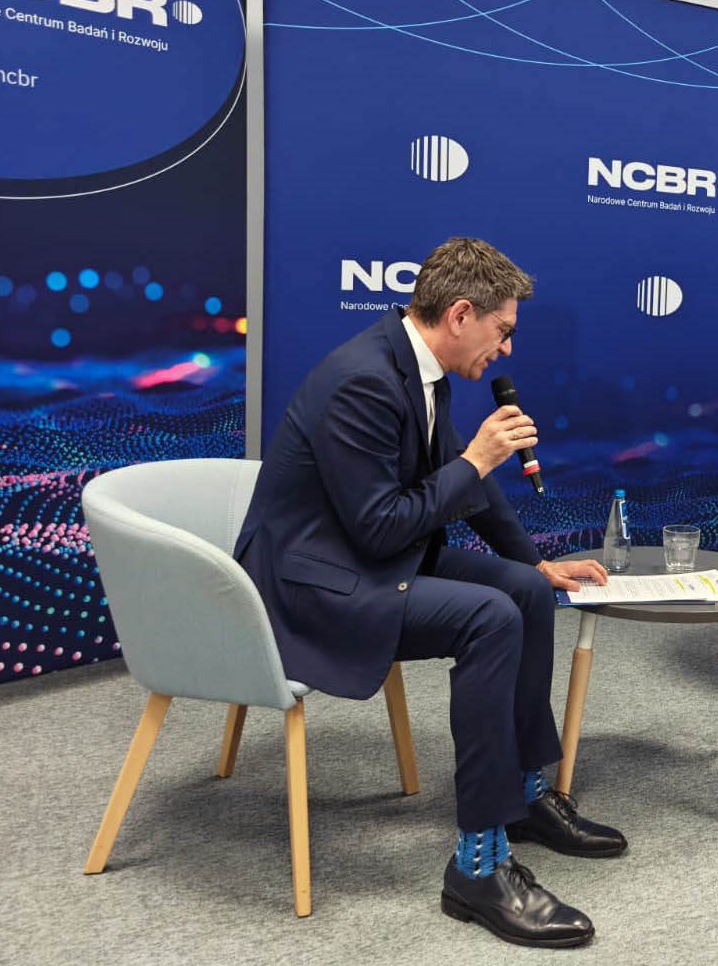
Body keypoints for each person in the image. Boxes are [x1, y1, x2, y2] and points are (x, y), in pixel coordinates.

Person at [236, 237, 624, 948]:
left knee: (524, 593)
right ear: (461, 314)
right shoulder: (361, 379)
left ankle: (524, 795)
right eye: (502, 330)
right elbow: (383, 525)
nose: (506, 349)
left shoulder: (419, 369)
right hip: (313, 584)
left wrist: (534, 562)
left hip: (365, 558)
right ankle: (478, 866)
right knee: (488, 619)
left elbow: (461, 482)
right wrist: (478, 458)